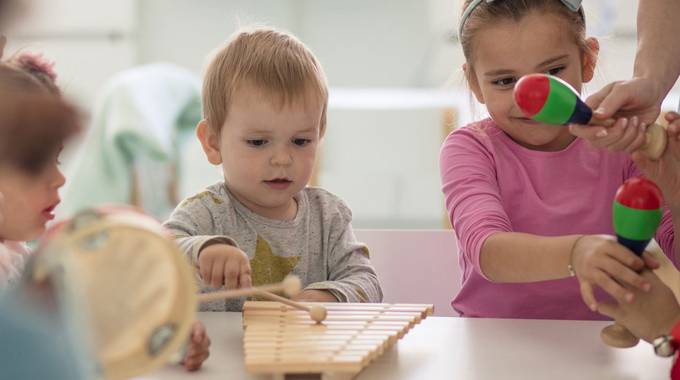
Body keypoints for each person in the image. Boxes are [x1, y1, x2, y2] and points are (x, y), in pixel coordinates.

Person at [439, 0, 677, 319]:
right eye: (505, 81)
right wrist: (576, 253)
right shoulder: (470, 149)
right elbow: (487, 251)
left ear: (587, 59)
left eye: (553, 71)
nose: (533, 102)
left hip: (595, 348)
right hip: (492, 343)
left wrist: (675, 189)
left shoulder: (624, 145)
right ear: (474, 83)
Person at [0, 47, 210, 372]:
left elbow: (82, 334)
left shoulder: (20, 259)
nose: (59, 178)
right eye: (34, 162)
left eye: (55, 160)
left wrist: (168, 335)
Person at [163, 26, 383, 311]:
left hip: (307, 354)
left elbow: (367, 283)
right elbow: (159, 253)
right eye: (258, 142)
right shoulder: (205, 213)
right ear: (213, 143)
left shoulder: (328, 216)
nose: (282, 158)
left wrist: (326, 297)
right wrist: (202, 250)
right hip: (218, 354)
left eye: (301, 141)